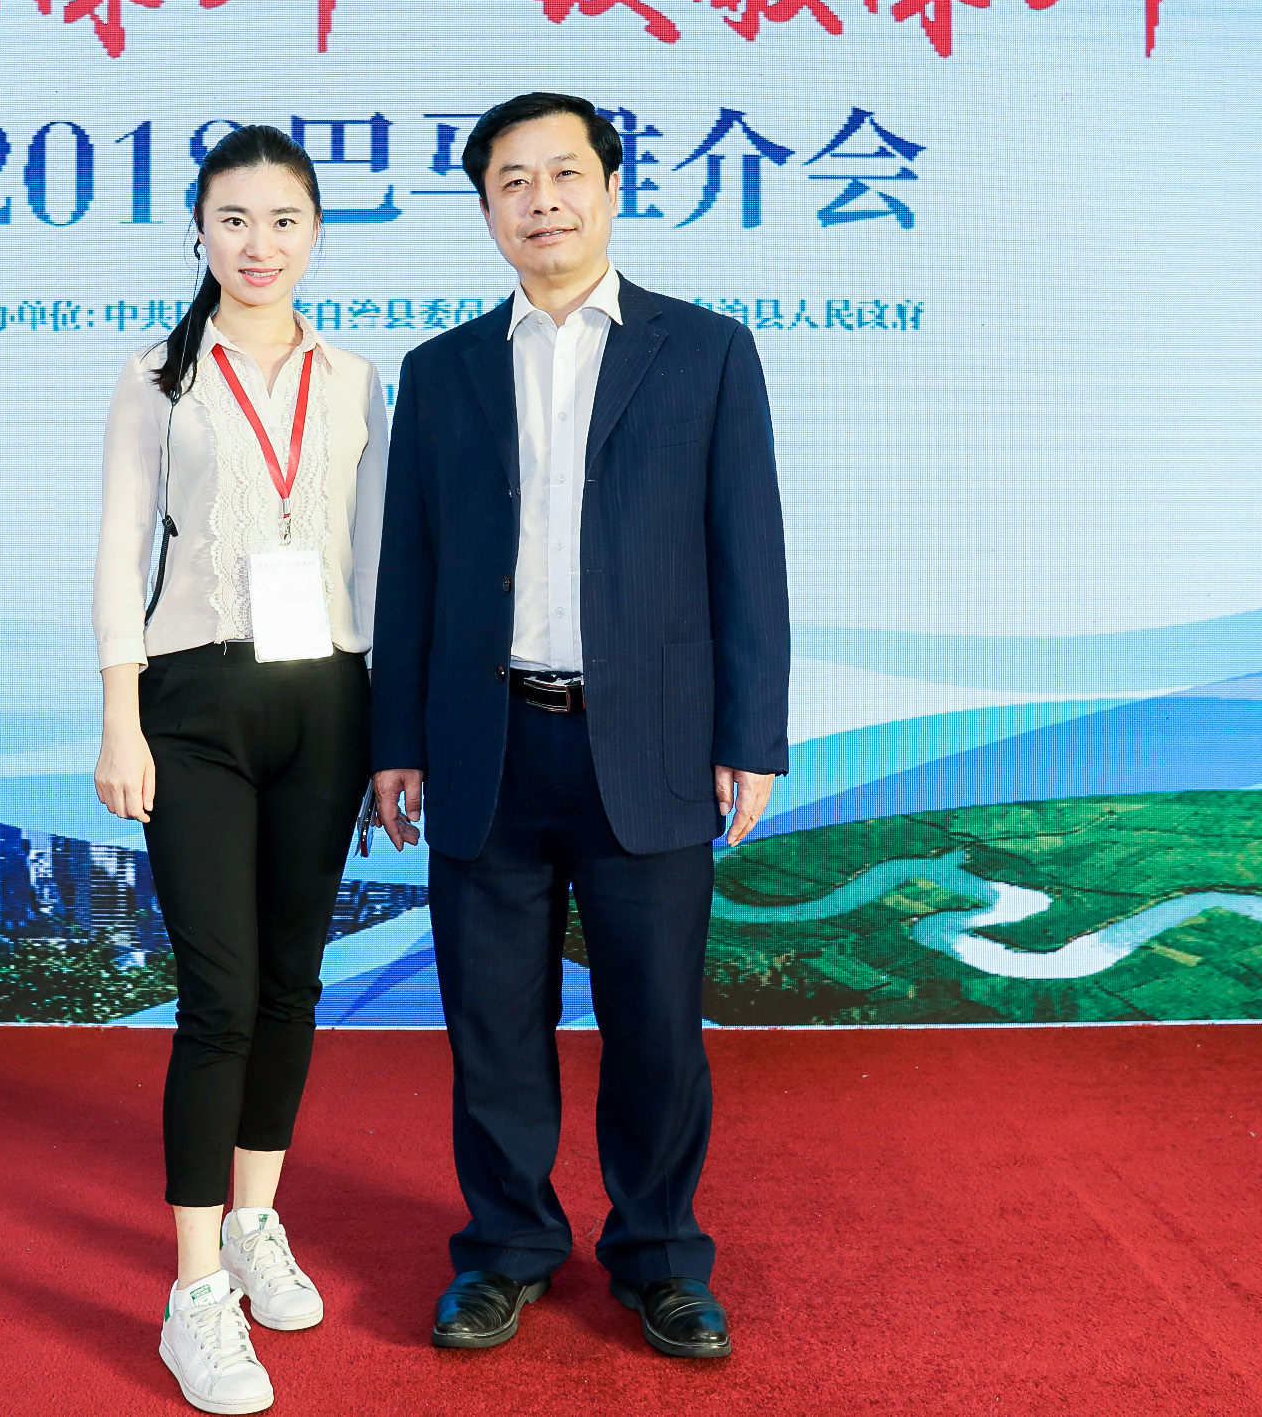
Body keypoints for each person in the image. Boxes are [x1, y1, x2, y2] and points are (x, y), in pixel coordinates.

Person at [371, 91, 789, 1360]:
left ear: (611, 189)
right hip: (486, 741)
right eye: (512, 181)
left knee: (654, 1027)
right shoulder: (440, 370)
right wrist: (396, 739)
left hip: (648, 744)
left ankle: (660, 1256)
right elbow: (409, 569)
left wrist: (750, 734)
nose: (540, 201)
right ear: (485, 208)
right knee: (491, 1028)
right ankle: (504, 1250)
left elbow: (748, 553)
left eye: (563, 174)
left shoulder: (706, 352)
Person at [93, 124, 388, 1415]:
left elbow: (373, 561)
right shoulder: (156, 375)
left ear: (314, 231)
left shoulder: (357, 379)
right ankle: (194, 1287)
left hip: (325, 695)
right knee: (218, 994)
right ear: (199, 232)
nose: (258, 244)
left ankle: (258, 1217)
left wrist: (389, 733)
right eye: (233, 219)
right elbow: (117, 550)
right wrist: (120, 717)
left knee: (289, 982)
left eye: (282, 219)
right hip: (194, 701)